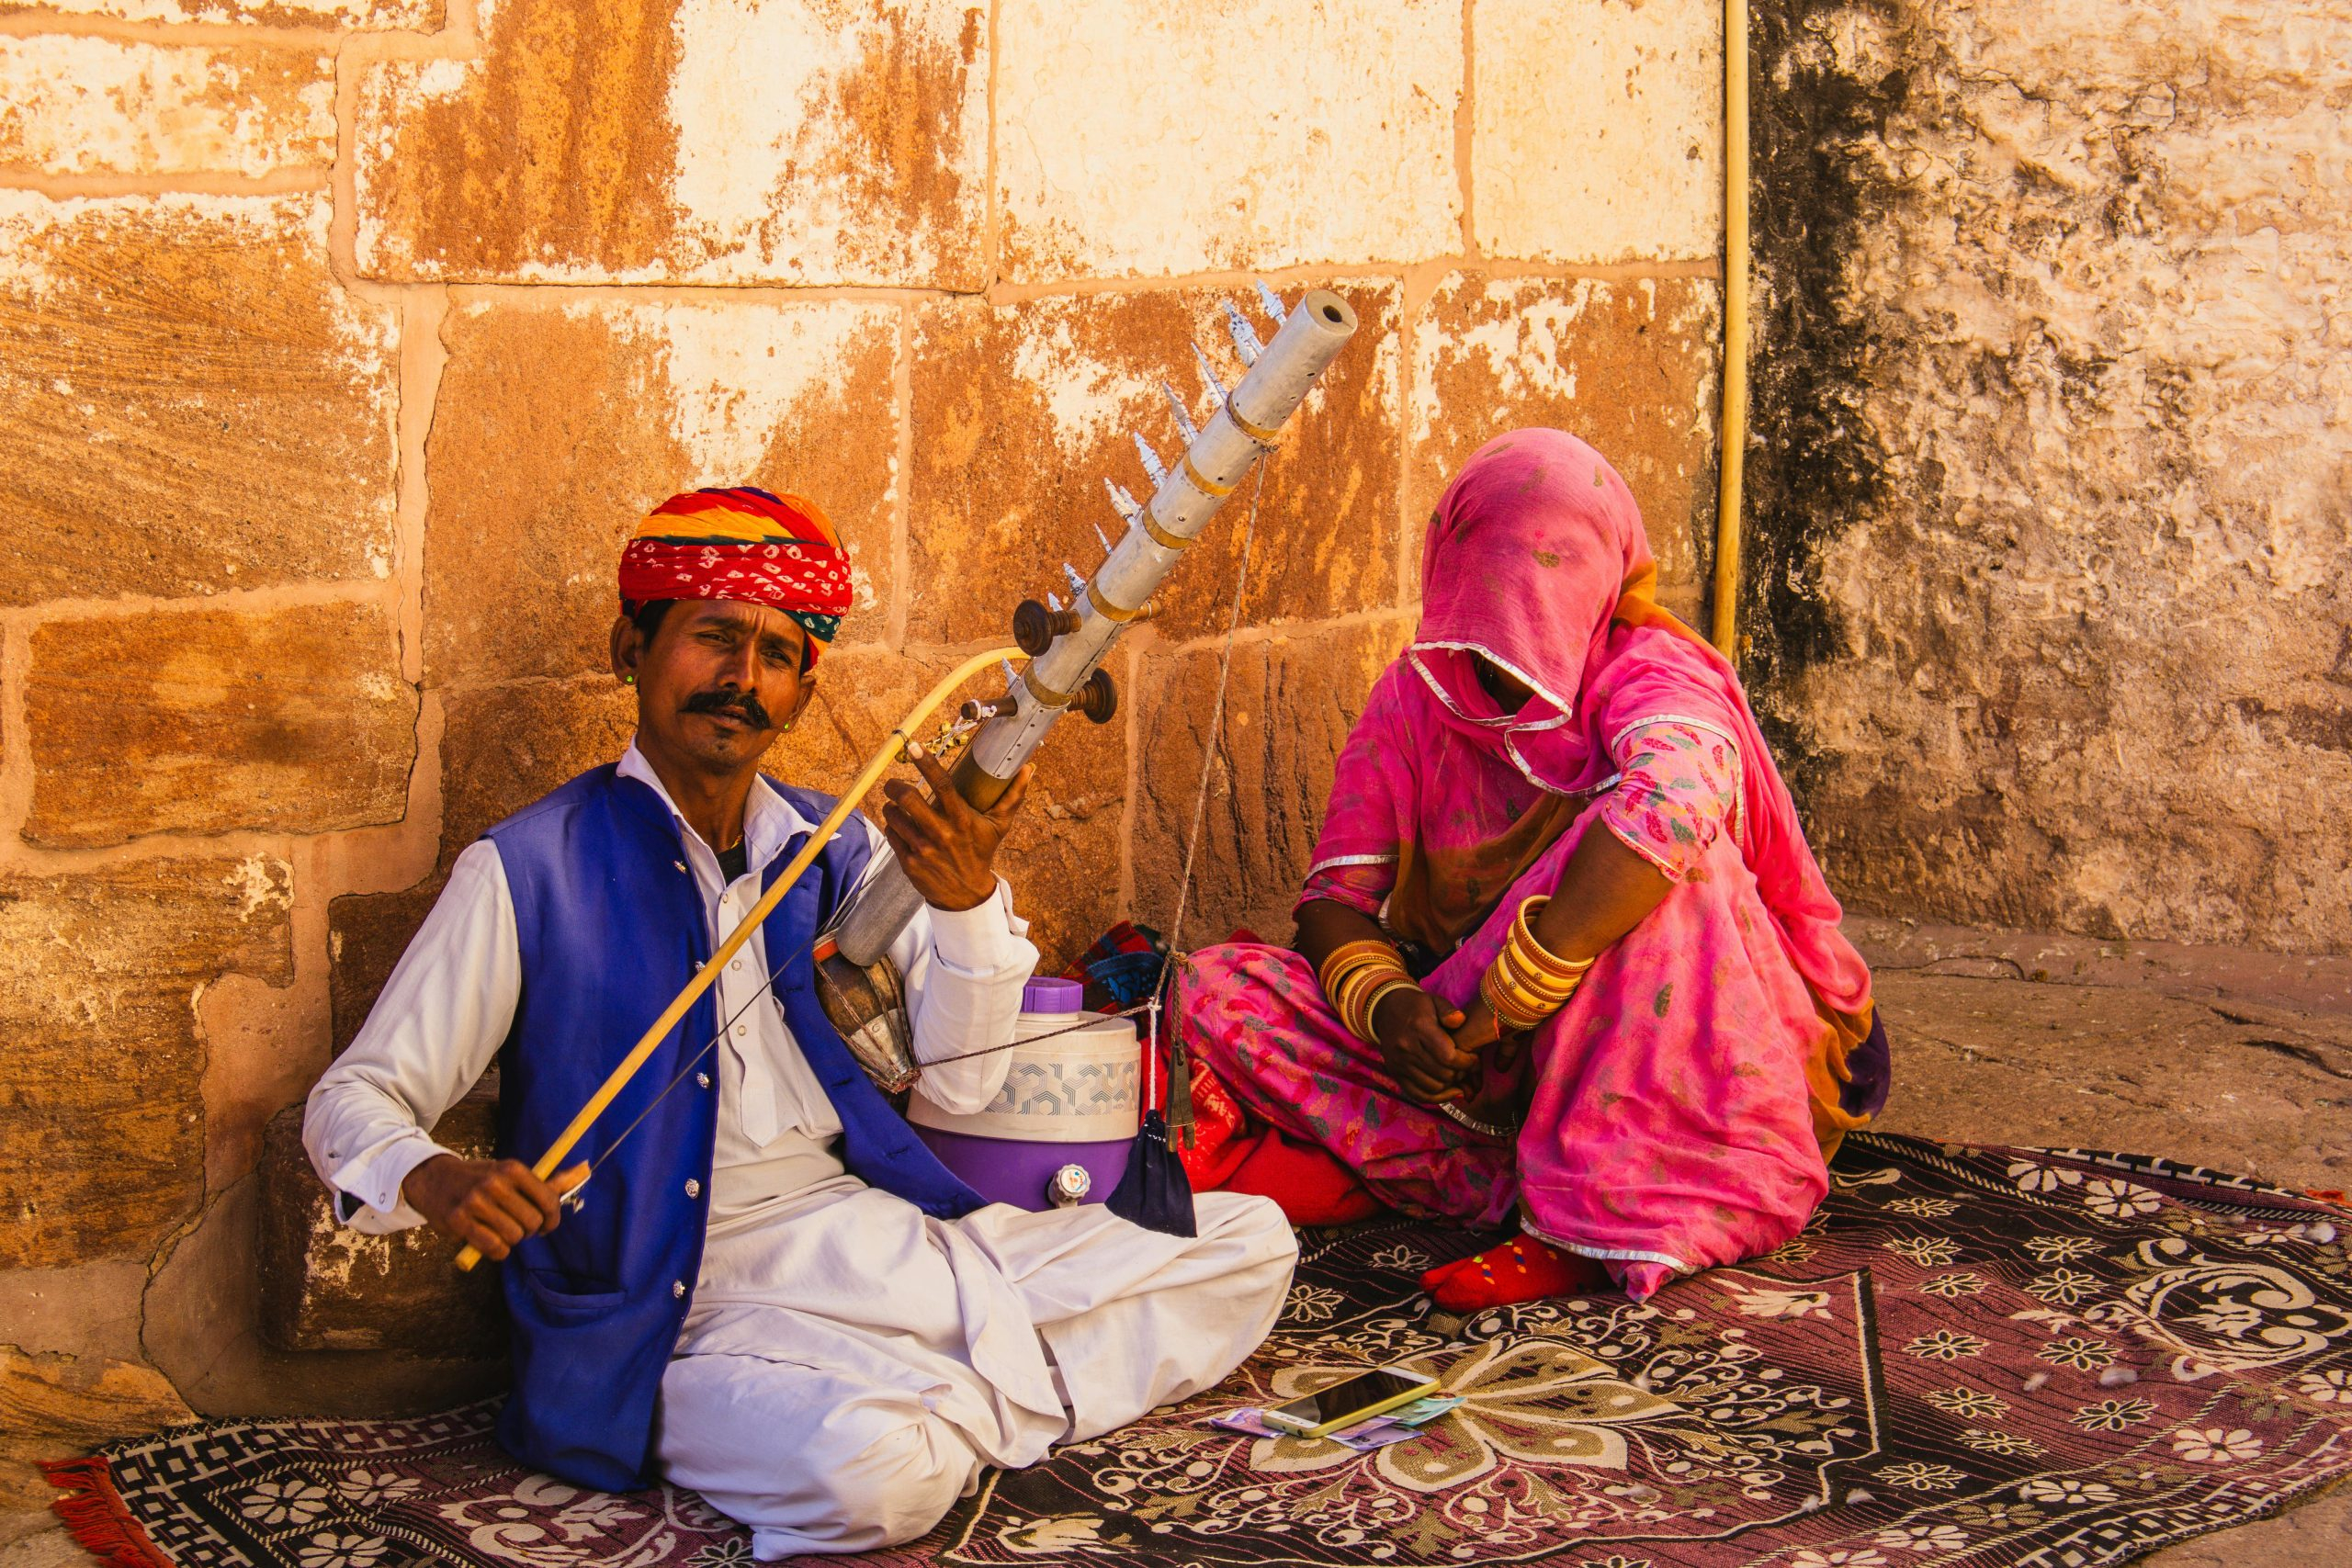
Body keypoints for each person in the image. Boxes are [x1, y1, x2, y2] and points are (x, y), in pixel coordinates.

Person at [306, 486, 1296, 1557]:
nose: (742, 680)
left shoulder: (839, 851)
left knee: (1250, 1243)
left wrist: (965, 903)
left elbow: (960, 1089)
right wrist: (432, 1177)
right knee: (870, 1476)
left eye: (777, 656)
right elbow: (353, 1097)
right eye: (714, 639)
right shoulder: (526, 870)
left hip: (877, 1242)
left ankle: (953, 1394)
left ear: (803, 694)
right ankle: (985, 1389)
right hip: (679, 1309)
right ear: (629, 646)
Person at [1172, 430, 1888, 1313]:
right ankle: (1537, 1166)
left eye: (1550, 578)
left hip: (1670, 1037)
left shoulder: (1653, 673)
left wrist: (1523, 982)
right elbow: (1334, 901)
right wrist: (1394, 1008)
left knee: (1667, 868)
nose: (1516, 621)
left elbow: (1673, 801)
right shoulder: (1415, 697)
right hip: (1474, 1049)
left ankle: (1601, 1214)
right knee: (1212, 988)